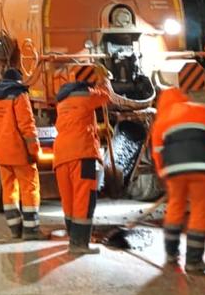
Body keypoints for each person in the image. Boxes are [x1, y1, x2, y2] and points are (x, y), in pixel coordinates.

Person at [53, 67, 148, 254]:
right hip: (82, 154)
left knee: (69, 200)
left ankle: (74, 238)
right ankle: (79, 245)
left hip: (61, 156)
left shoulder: (62, 101)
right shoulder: (85, 96)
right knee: (84, 199)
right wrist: (105, 78)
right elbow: (107, 96)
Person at [150, 86, 205, 273]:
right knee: (199, 210)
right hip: (202, 168)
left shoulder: (160, 122)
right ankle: (193, 261)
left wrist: (164, 174)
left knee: (175, 206)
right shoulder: (202, 109)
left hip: (174, 171)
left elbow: (157, 153)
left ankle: (171, 253)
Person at [0, 66, 41, 239]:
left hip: (1, 150)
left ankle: (15, 229)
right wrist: (34, 150)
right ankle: (31, 229)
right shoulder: (19, 95)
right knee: (29, 187)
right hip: (18, 150)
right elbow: (27, 124)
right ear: (18, 80)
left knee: (9, 188)